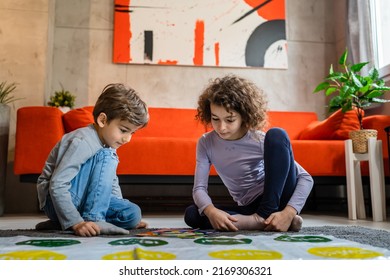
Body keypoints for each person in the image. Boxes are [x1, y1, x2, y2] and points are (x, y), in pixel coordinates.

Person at [184, 74, 314, 232]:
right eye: (215, 119)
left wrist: (289, 212)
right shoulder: (206, 143)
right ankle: (267, 222)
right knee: (192, 214)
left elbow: (306, 179)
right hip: (249, 207)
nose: (221, 127)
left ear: (244, 116)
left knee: (277, 135)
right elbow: (199, 189)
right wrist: (211, 212)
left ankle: (269, 217)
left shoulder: (258, 139)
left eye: (230, 120)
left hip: (277, 198)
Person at [36, 83, 149, 237]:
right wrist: (75, 222)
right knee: (107, 154)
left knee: (133, 213)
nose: (128, 139)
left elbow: (111, 183)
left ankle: (63, 222)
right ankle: (91, 218)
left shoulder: (108, 144)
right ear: (103, 120)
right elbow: (57, 184)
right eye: (123, 130)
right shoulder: (82, 141)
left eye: (132, 133)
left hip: (86, 200)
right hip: (57, 201)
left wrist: (122, 211)